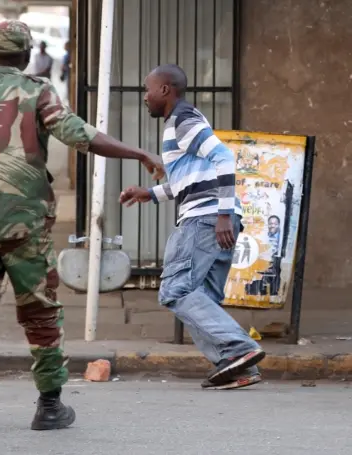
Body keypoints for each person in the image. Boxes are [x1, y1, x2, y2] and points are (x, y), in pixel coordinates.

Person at [0, 20, 164, 445]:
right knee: (40, 312)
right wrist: (137, 151)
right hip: (24, 224)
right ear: (27, 54)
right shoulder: (36, 91)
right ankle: (50, 406)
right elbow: (77, 134)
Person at [119, 64, 266, 391]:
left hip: (207, 219)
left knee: (176, 290)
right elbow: (190, 179)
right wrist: (151, 193)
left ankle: (240, 348)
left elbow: (225, 159)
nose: (145, 97)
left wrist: (223, 214)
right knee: (204, 297)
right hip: (216, 217)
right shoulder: (184, 121)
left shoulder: (183, 121)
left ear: (165, 90)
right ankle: (235, 367)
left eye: (148, 89)